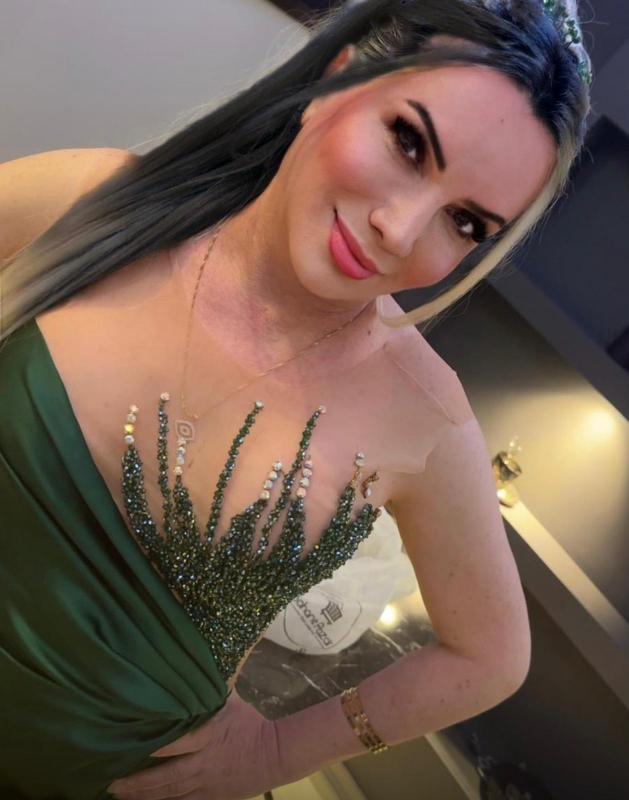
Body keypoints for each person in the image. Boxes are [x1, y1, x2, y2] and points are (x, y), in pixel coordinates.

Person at [0, 0, 592, 798]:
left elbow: (491, 656)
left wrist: (278, 752)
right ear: (335, 79)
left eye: (463, 221)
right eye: (407, 142)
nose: (398, 228)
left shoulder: (424, 414)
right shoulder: (92, 202)